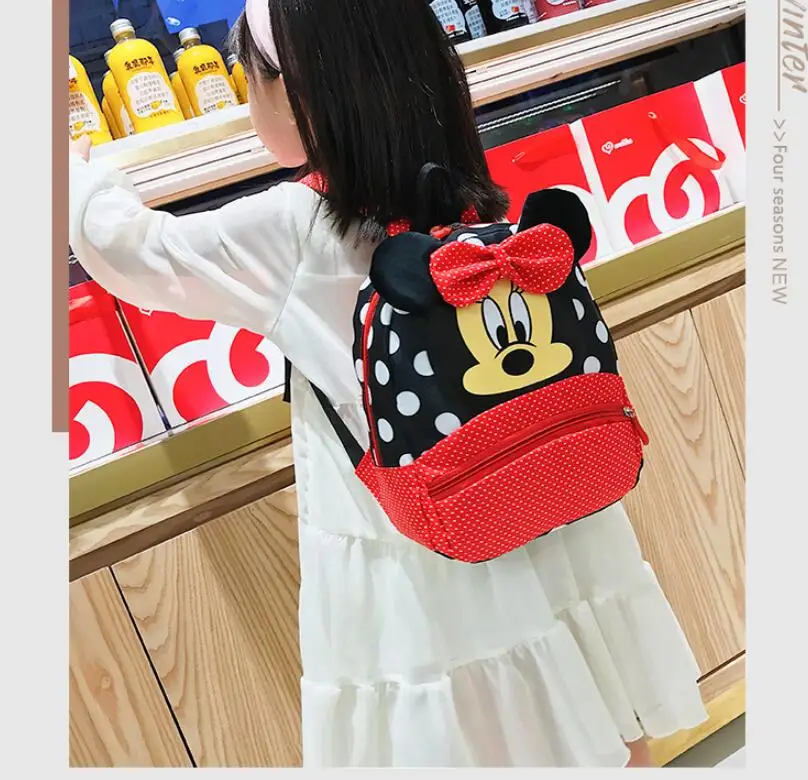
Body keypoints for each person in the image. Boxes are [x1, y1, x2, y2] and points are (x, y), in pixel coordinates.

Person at [68, 0, 707, 767]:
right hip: (543, 491)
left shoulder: (291, 230)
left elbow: (133, 251)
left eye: (251, 80)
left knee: (482, 727)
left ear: (298, 97)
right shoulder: (459, 186)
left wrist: (79, 174)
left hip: (423, 539)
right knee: (596, 694)